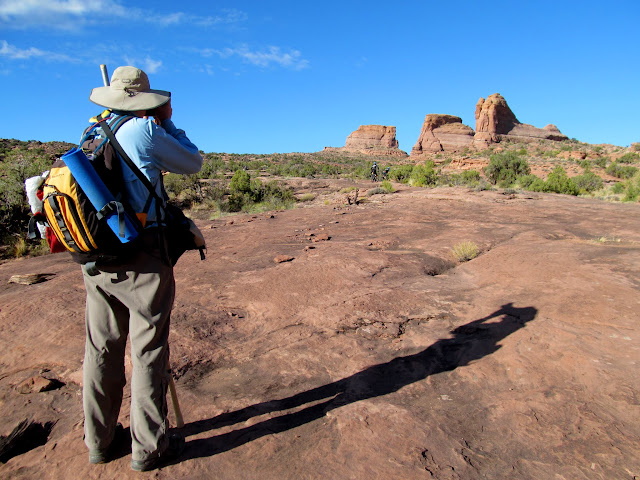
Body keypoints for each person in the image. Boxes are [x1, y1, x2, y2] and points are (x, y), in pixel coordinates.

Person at [81, 66, 203, 471]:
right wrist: (170, 124)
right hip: (142, 258)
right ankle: (149, 447)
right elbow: (193, 163)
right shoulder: (145, 131)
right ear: (144, 99)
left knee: (101, 350)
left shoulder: (92, 130)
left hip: (97, 258)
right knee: (148, 351)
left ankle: (98, 442)